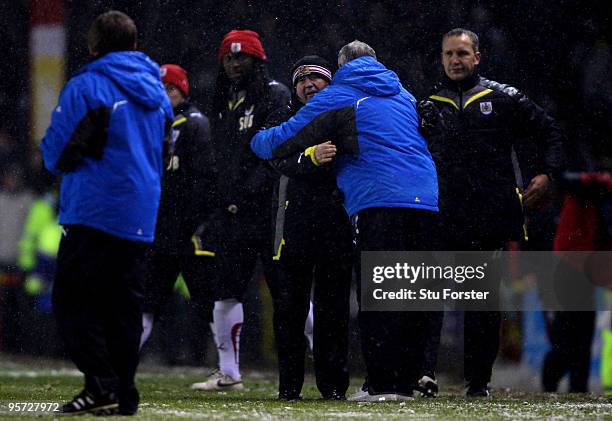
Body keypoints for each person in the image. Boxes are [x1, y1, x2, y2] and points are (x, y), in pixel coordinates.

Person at [251, 40, 439, 401]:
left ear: (339, 69)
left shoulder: (341, 94)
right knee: (414, 292)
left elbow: (271, 143)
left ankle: (384, 384)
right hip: (425, 198)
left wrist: (259, 140)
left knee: (379, 291)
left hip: (379, 199)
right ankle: (411, 377)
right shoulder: (403, 94)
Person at [40, 11, 173, 415]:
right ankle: (124, 391)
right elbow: (165, 151)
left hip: (93, 210)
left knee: (71, 302)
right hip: (139, 212)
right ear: (135, 44)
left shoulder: (87, 85)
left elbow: (54, 154)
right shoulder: (158, 90)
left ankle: (101, 384)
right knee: (124, 307)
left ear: (94, 45)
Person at [418, 28, 564, 397]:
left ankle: (478, 382)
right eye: (449, 54)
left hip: (486, 216)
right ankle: (424, 373)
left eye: (463, 53)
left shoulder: (504, 98)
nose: (455, 60)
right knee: (426, 295)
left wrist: (547, 174)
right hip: (439, 212)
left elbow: (550, 132)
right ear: (441, 58)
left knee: (480, 301)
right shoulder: (427, 104)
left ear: (477, 57)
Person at [191, 29, 290, 391]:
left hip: (268, 212)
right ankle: (229, 373)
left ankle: (323, 359)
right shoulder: (223, 99)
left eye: (241, 57)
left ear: (257, 60)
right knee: (226, 290)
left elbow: (275, 153)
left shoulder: (276, 94)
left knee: (287, 292)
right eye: (229, 58)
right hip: (234, 214)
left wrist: (247, 193)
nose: (234, 63)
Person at [264, 55, 352, 400]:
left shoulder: (344, 115)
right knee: (289, 312)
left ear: (330, 83)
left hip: (336, 227)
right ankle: (289, 388)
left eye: (315, 77)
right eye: (300, 79)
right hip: (293, 230)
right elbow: (273, 159)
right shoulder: (284, 118)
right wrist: (309, 157)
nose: (307, 83)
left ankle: (333, 388)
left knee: (334, 313)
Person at [139, 64, 217, 360]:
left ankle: (229, 367)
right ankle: (121, 363)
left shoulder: (195, 124)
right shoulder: (155, 126)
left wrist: (202, 223)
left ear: (182, 91)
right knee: (148, 300)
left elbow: (205, 179)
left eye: (169, 90)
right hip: (162, 229)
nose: (163, 96)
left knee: (208, 300)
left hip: (188, 230)